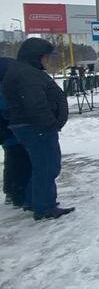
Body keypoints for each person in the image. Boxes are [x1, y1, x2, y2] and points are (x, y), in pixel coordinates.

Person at [2, 38, 73, 220]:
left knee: (42, 166)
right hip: (37, 128)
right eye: (46, 57)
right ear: (35, 57)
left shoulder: (23, 71)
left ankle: (33, 200)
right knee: (47, 167)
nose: (48, 61)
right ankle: (45, 207)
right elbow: (36, 104)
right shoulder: (27, 74)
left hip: (30, 126)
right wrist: (49, 125)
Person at [1, 57, 31, 208]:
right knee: (19, 159)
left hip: (8, 129)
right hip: (11, 128)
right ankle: (18, 194)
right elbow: (7, 108)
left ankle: (10, 191)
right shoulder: (6, 83)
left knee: (12, 158)